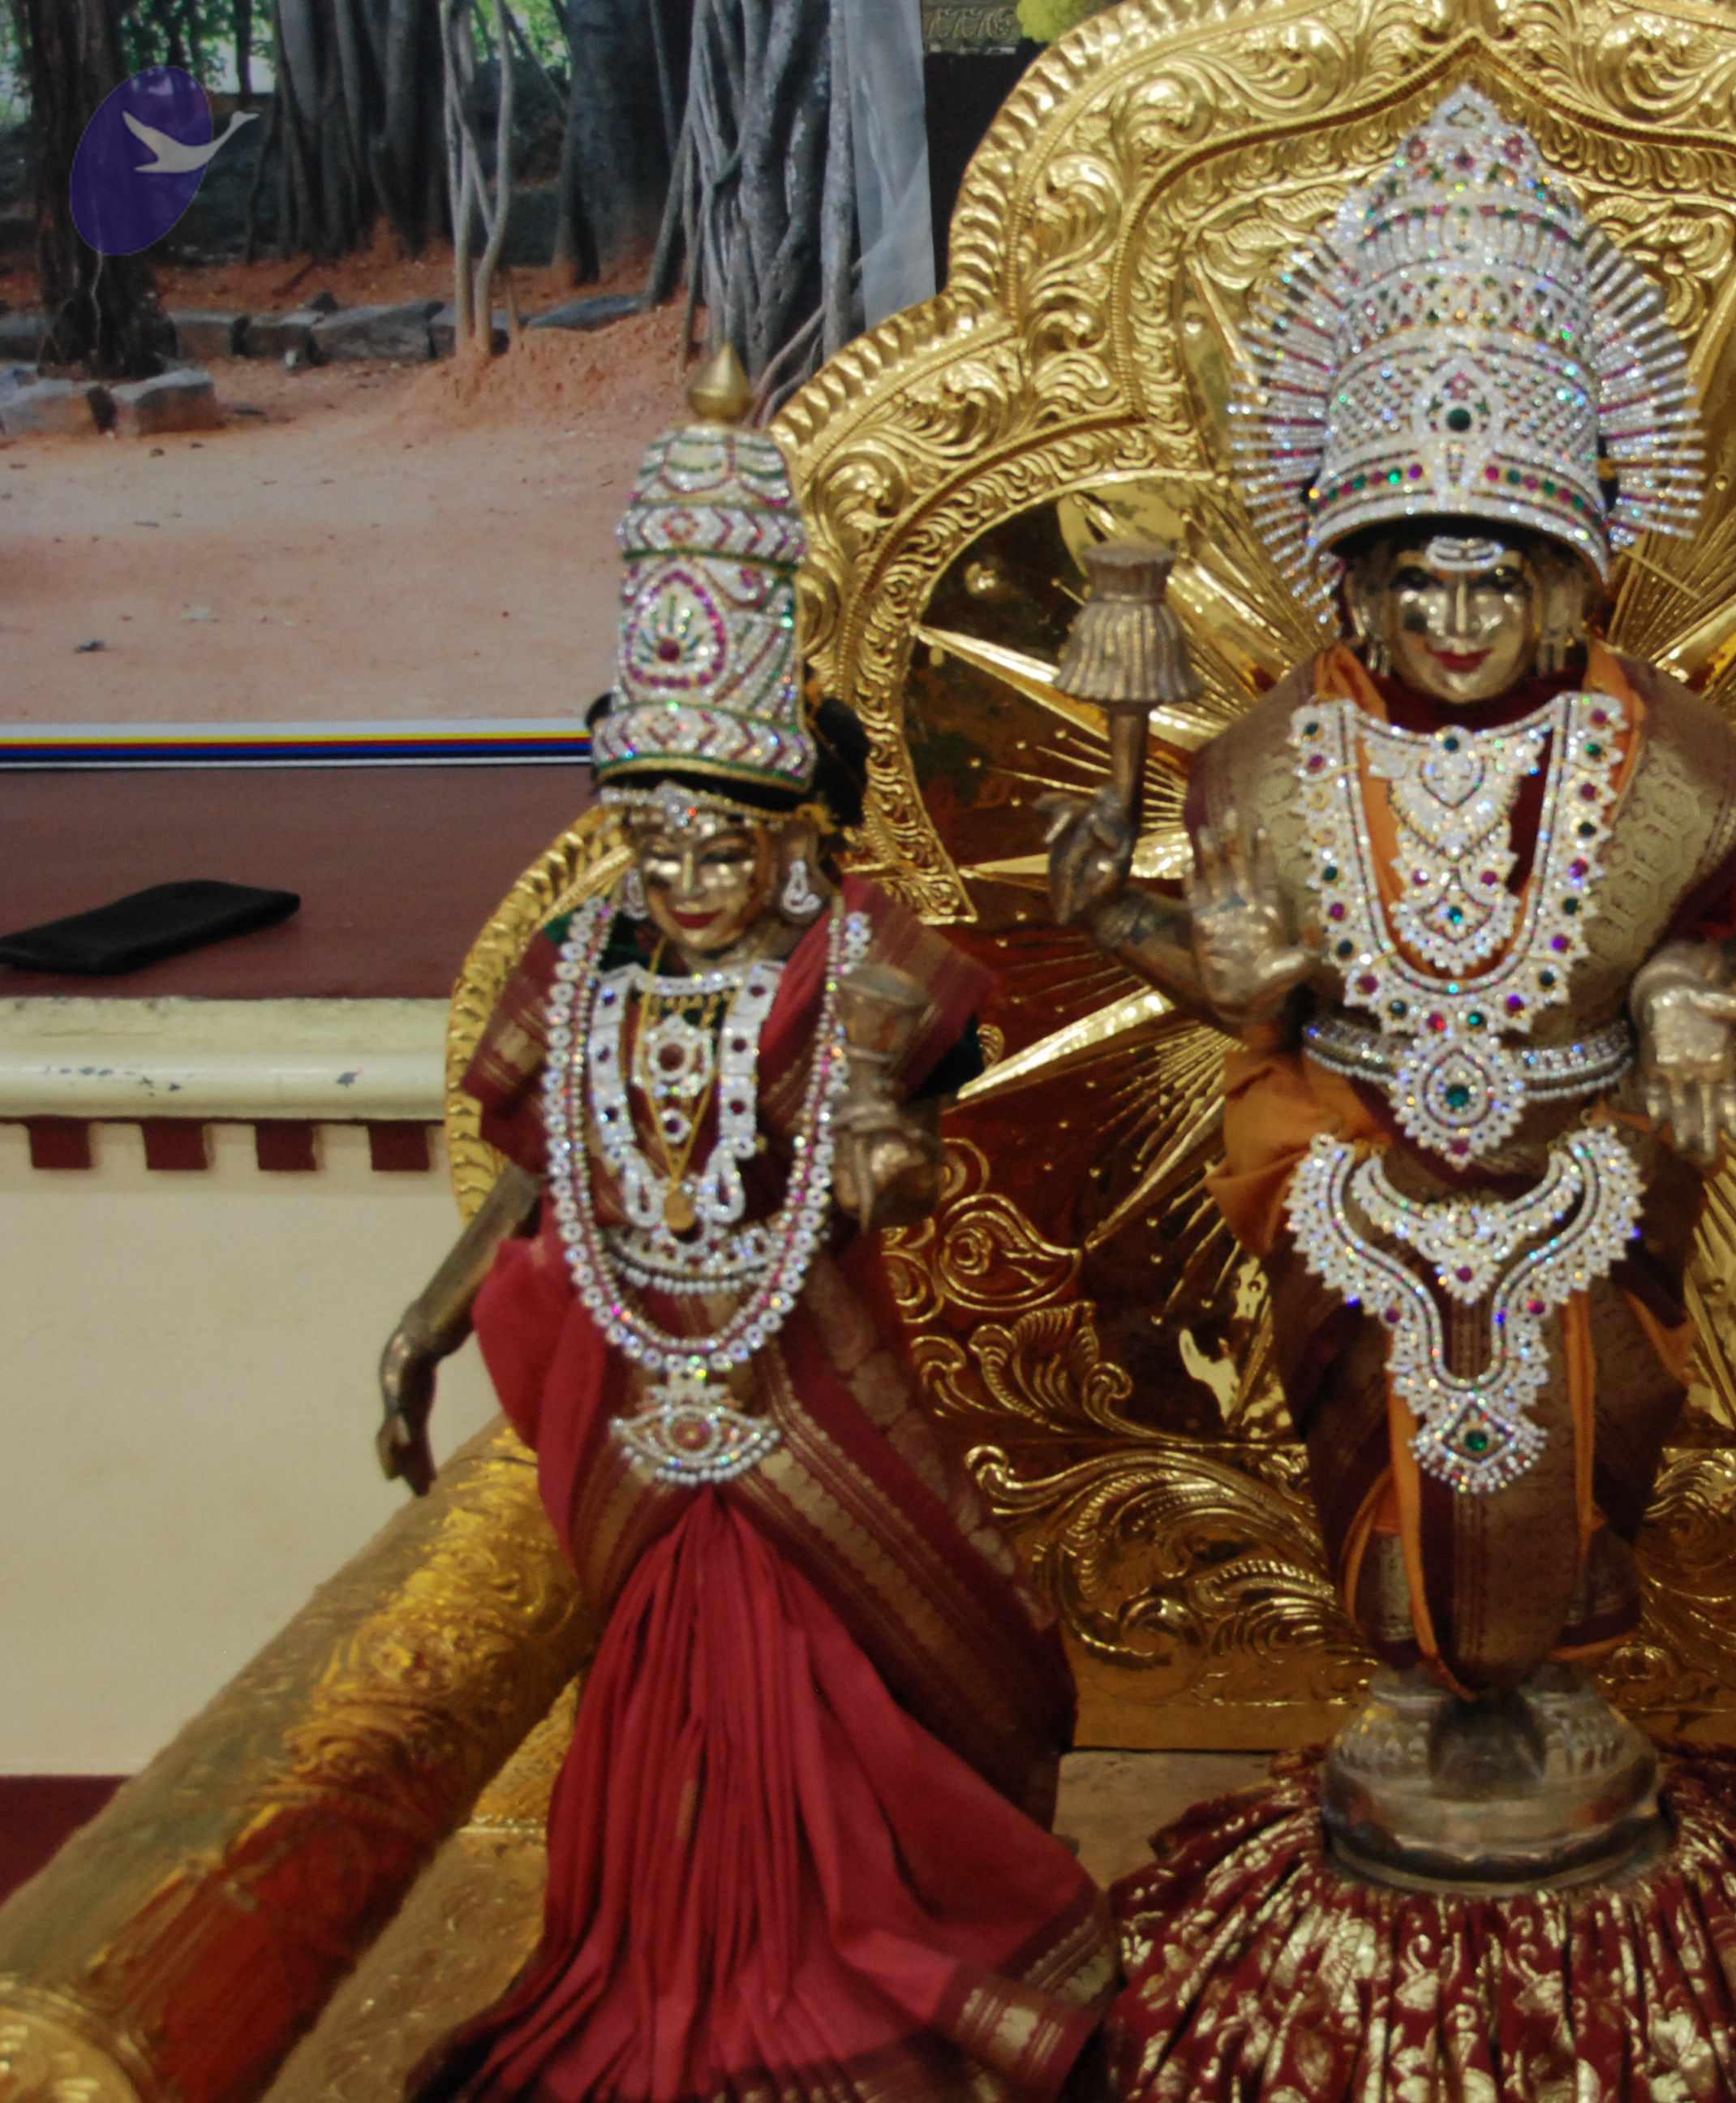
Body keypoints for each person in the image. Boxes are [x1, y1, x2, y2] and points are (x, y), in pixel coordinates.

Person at [1042, 85, 1736, 1886]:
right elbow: (1239, 997)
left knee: (1609, 1415)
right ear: (1358, 588)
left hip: (1595, 1160)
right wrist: (1137, 929)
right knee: (1364, 1422)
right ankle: (1401, 1685)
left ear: (1568, 582)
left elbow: (1717, 945)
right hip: (1351, 1154)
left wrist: (1690, 996)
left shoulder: (1680, 763)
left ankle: (1570, 1669)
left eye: (1495, 580)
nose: (1455, 621)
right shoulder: (1260, 772)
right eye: (1419, 583)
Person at [374, 350, 1114, 2101]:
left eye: (726, 850)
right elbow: (540, 1175)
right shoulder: (580, 972)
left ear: (796, 838)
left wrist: (880, 1153)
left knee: (866, 1694)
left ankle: (852, 1961)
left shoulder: (867, 975)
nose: (691, 884)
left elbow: (904, 1167)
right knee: (665, 1713)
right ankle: (675, 1967)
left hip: (806, 1408)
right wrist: (422, 1324)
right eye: (656, 848)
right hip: (644, 1422)